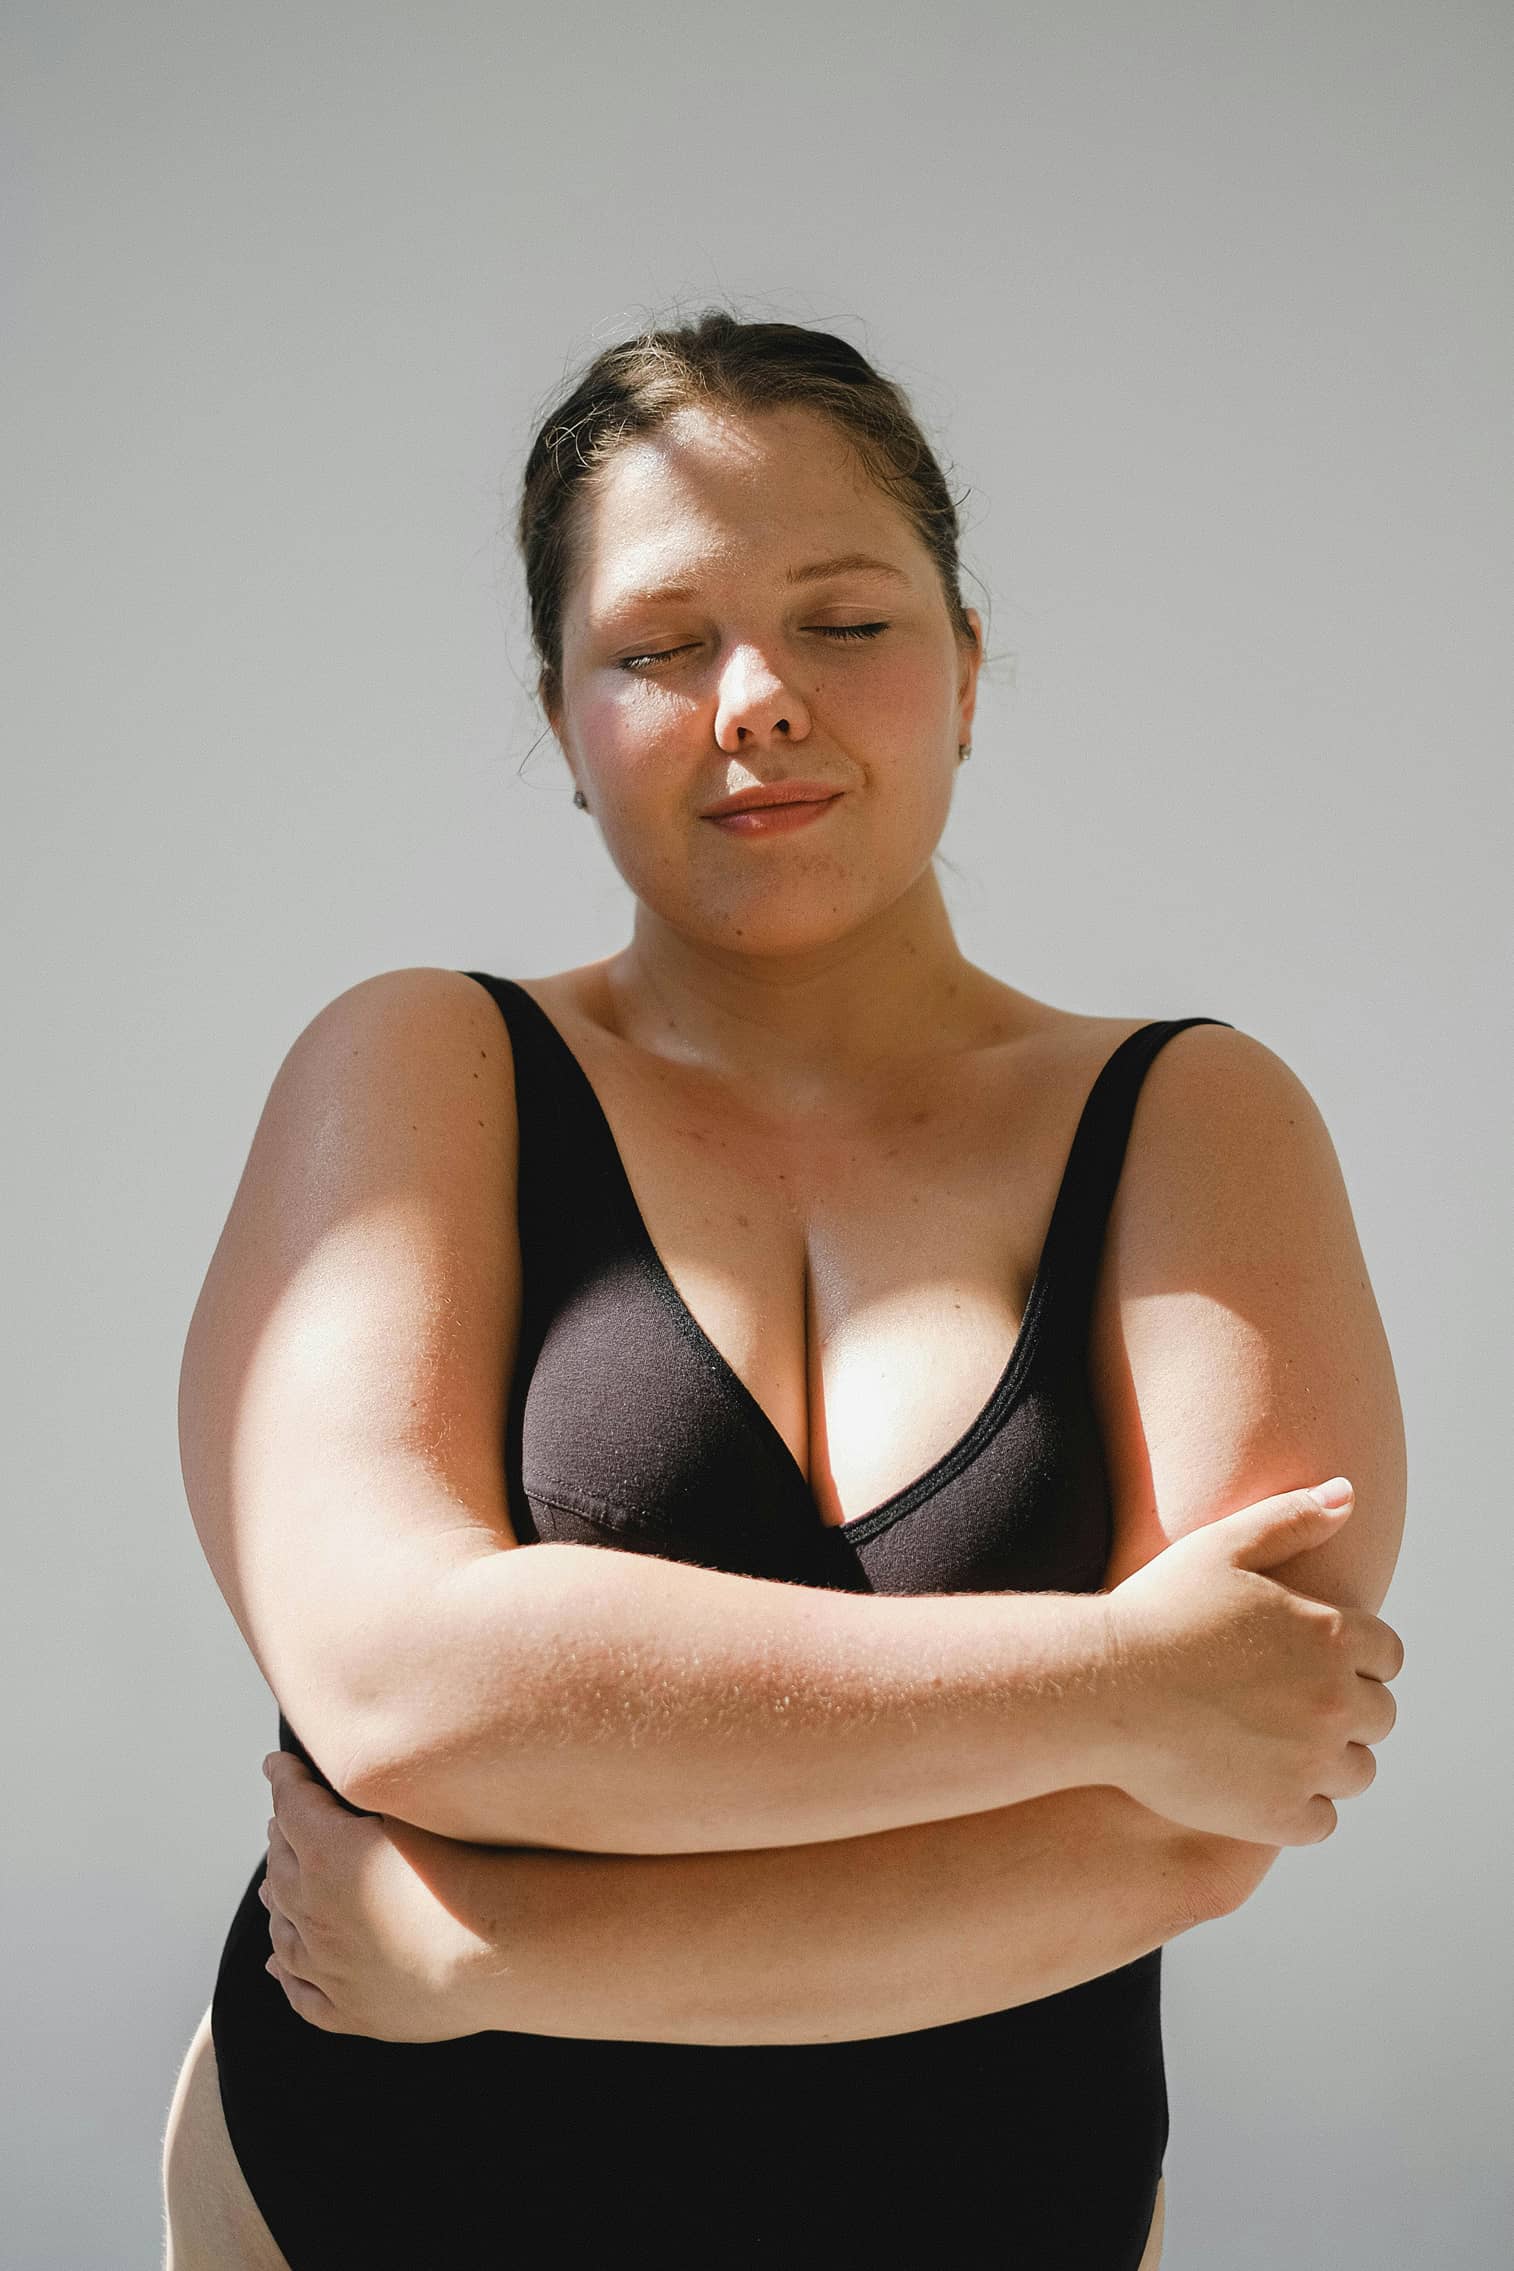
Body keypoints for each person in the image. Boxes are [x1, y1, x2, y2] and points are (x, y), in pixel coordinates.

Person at [161, 311, 1406, 2269]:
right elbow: (402, 1685)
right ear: (563, 715)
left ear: (967, 667)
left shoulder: (1195, 1115)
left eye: (842, 621)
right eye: (657, 646)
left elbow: (1201, 1815)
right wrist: (1120, 1680)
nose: (755, 700)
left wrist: (498, 1950)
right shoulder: (416, 1064)